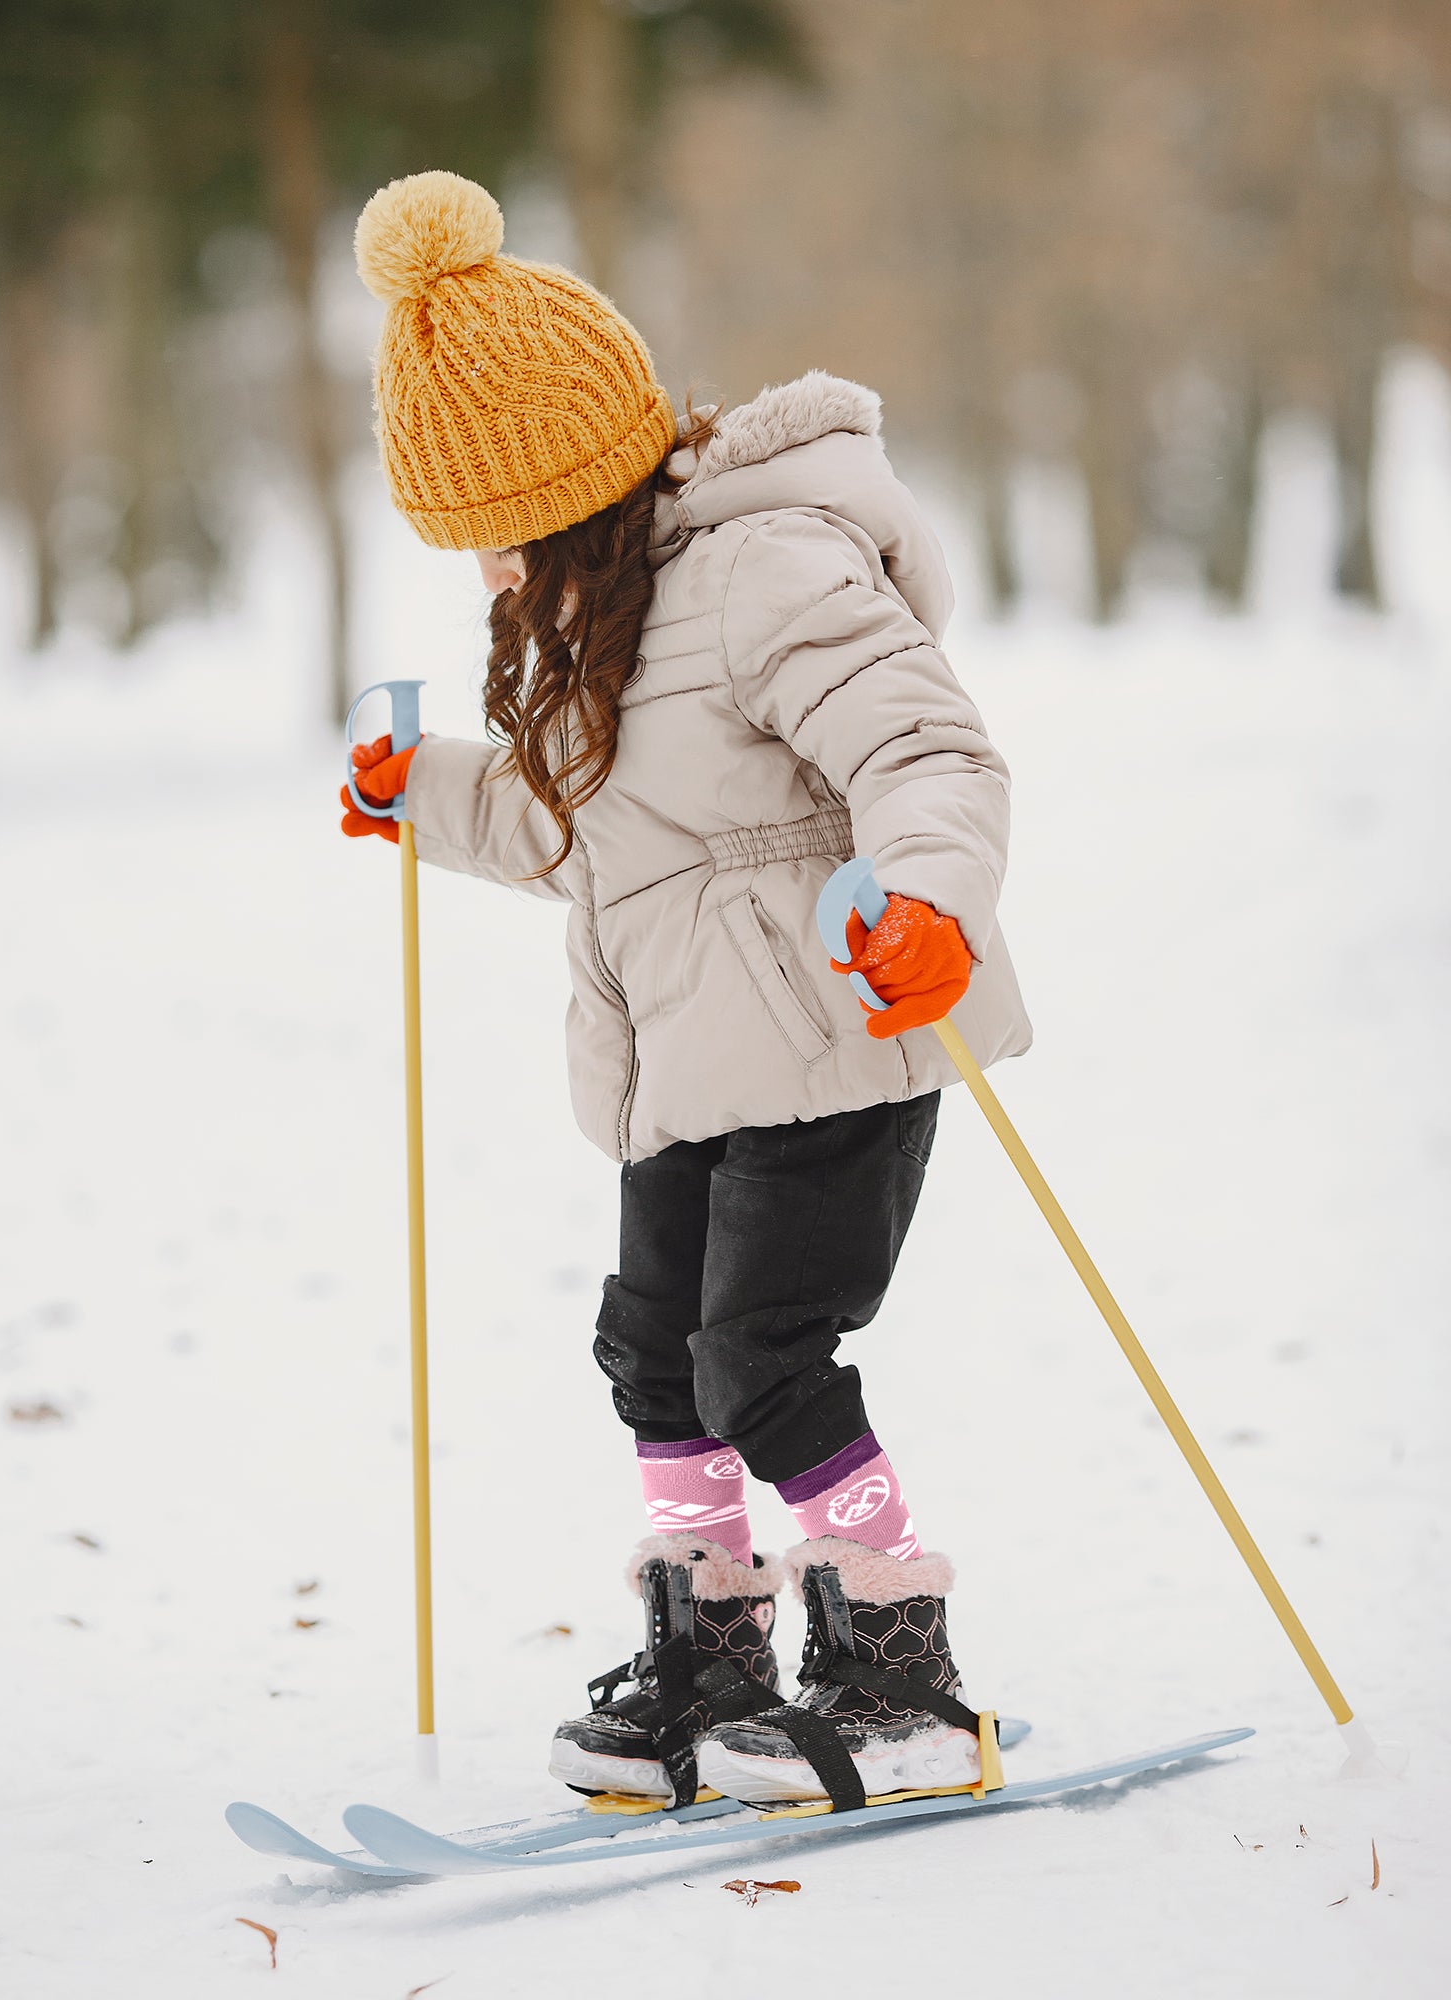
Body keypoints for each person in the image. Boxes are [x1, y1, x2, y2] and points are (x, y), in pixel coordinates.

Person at [342, 171, 1031, 1811]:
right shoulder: (600, 627)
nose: (495, 578)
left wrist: (930, 905)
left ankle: (897, 1669)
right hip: (677, 1072)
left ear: (570, 493)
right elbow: (558, 826)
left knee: (762, 1359)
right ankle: (708, 1656)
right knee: (653, 1353)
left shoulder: (766, 574)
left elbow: (921, 746)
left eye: (501, 538)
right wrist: (418, 787)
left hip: (838, 1037)